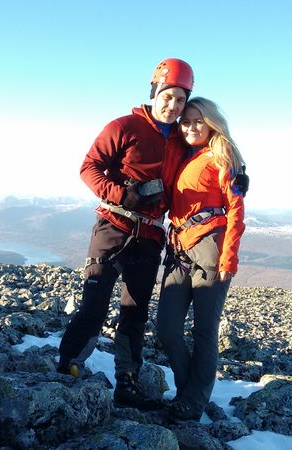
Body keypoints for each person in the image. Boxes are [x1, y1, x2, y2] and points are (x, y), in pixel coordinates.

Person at [57, 58, 194, 410]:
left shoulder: (181, 140)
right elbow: (89, 167)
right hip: (113, 228)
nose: (173, 105)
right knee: (95, 304)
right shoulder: (125, 126)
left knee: (134, 314)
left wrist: (236, 177)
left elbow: (212, 156)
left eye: (181, 100)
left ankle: (127, 383)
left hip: (149, 238)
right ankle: (68, 367)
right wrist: (121, 194)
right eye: (168, 96)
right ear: (155, 91)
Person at [156, 97, 247, 422]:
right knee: (167, 328)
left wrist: (228, 259)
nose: (191, 126)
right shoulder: (185, 155)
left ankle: (193, 402)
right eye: (186, 121)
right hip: (179, 247)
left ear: (211, 122)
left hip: (210, 246)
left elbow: (236, 209)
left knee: (205, 332)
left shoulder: (221, 156)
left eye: (198, 120)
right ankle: (186, 390)